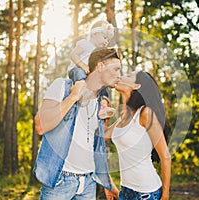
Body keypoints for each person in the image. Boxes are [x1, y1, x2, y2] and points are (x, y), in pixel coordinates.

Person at [34, 47, 120, 200]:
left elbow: (94, 147)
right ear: (100, 66)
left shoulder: (102, 103)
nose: (119, 75)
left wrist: (108, 183)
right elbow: (40, 126)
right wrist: (73, 96)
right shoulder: (62, 86)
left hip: (88, 183)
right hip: (59, 182)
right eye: (116, 69)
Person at [105, 71, 172, 200]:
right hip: (125, 190)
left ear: (137, 86)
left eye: (128, 76)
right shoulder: (123, 118)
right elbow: (102, 135)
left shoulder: (145, 114)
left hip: (147, 193)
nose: (121, 76)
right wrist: (107, 117)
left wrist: (165, 195)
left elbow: (166, 156)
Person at [68, 20, 116, 119]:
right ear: (95, 34)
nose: (106, 41)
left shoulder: (99, 52)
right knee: (80, 72)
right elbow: (73, 55)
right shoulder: (85, 44)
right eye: (104, 37)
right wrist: (83, 65)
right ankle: (82, 93)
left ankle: (103, 106)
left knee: (103, 83)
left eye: (108, 40)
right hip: (77, 70)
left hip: (89, 75)